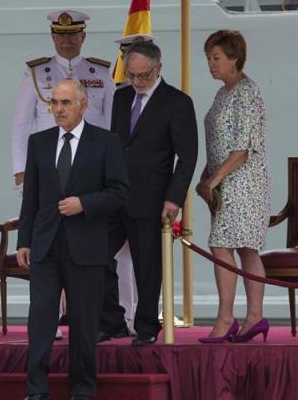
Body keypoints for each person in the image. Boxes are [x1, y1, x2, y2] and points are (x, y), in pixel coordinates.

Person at [17, 79, 129, 400]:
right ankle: (36, 391)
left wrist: (85, 203)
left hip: (87, 244)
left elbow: (120, 192)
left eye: (65, 103)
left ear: (82, 105)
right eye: (54, 103)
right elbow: (32, 198)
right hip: (46, 244)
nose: (58, 109)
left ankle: (82, 389)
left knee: (83, 323)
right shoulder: (39, 142)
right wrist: (24, 240)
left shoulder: (106, 142)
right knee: (40, 319)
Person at [101, 41, 198, 346]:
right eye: (132, 75)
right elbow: (114, 145)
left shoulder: (177, 102)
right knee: (96, 255)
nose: (137, 82)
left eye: (143, 76)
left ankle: (146, 326)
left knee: (148, 267)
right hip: (114, 194)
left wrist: (174, 197)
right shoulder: (120, 97)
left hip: (152, 197)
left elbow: (188, 156)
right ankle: (111, 319)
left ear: (158, 68)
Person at [196, 30, 271, 343]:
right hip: (225, 184)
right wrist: (205, 177)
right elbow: (218, 143)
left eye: (216, 58)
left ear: (234, 58)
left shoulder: (247, 92)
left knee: (221, 245)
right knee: (245, 249)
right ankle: (254, 317)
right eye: (208, 58)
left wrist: (212, 180)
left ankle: (227, 317)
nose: (210, 64)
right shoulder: (224, 93)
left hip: (244, 183)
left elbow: (242, 149)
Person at [11, 9, 115, 188]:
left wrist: (112, 163)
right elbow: (21, 125)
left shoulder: (101, 72)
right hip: (50, 160)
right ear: (53, 37)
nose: (66, 41)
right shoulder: (36, 72)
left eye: (72, 35)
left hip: (93, 160)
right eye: (60, 35)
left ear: (83, 36)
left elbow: (111, 121)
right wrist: (21, 171)